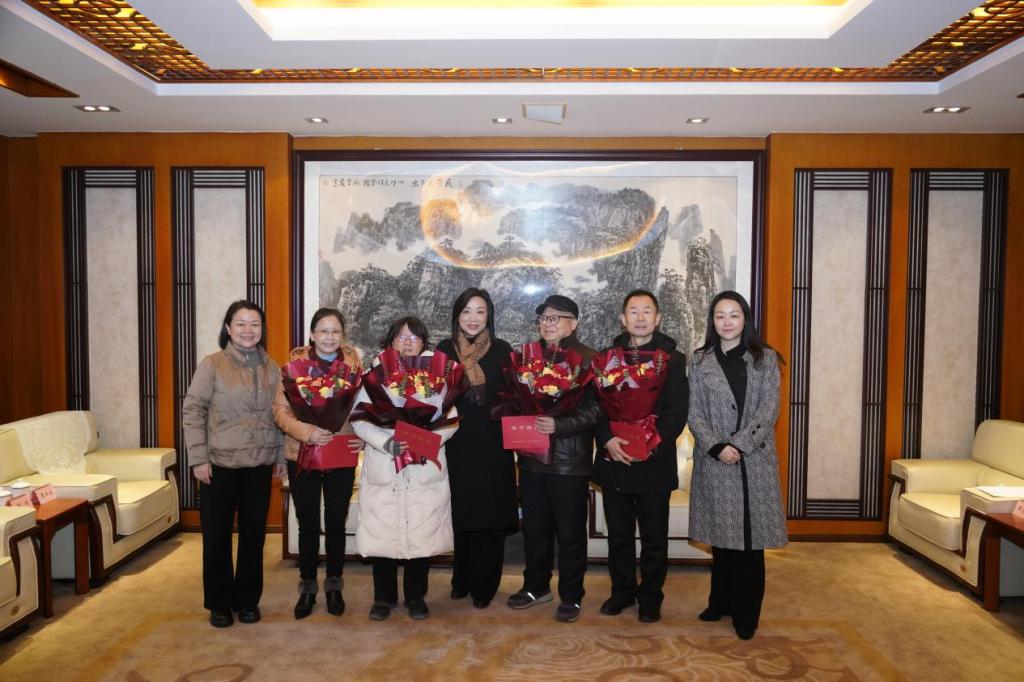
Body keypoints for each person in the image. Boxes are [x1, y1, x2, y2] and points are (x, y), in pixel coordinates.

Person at [687, 290, 787, 640]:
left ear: (745, 319)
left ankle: (746, 614)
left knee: (749, 543)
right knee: (721, 539)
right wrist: (716, 446)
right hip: (714, 459)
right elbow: (693, 411)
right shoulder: (699, 361)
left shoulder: (765, 359)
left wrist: (739, 445)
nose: (727, 322)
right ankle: (719, 603)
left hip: (754, 459)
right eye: (720, 316)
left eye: (734, 315)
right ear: (712, 322)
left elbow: (769, 409)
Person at [181, 299, 284, 629]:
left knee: (254, 536)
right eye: (241, 323)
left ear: (262, 329)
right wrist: (198, 458)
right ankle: (219, 603)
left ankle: (248, 600)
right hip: (219, 464)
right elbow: (193, 411)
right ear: (228, 328)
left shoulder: (273, 368)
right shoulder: (212, 365)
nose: (248, 330)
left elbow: (280, 414)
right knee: (217, 537)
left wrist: (280, 455)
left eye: (255, 324)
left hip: (259, 463)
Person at [351, 316, 459, 621]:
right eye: (401, 337)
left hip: (423, 466)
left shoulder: (439, 376)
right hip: (386, 463)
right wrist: (387, 443)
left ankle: (416, 597)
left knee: (421, 533)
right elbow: (359, 418)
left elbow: (452, 419)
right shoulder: (376, 375)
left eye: (414, 337)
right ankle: (383, 598)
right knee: (383, 531)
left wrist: (423, 441)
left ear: (424, 342)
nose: (407, 342)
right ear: (391, 342)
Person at [592, 289, 688, 624]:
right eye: (634, 311)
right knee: (618, 536)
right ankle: (621, 592)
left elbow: (677, 410)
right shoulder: (607, 358)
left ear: (658, 318)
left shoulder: (673, 360)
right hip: (615, 458)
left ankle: (650, 597)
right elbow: (596, 406)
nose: (641, 317)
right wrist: (607, 440)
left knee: (653, 539)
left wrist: (651, 444)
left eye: (647, 311)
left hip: (654, 462)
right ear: (623, 318)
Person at [507, 294, 602, 623]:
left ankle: (572, 595)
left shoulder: (588, 359)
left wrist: (559, 425)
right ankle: (536, 586)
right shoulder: (526, 357)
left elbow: (597, 409)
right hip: (531, 458)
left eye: (554, 318)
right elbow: (515, 401)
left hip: (569, 462)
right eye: (543, 319)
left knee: (570, 533)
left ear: (572, 324)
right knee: (534, 529)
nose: (547, 324)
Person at [273, 307, 363, 619]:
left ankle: (335, 584)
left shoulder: (353, 366)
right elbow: (280, 411)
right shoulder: (293, 367)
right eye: (323, 331)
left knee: (336, 520)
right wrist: (307, 432)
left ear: (342, 335)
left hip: (340, 451)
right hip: (302, 452)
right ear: (312, 334)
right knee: (308, 522)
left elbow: (364, 408)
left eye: (335, 331)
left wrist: (361, 436)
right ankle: (308, 585)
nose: (329, 337)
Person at [436, 288, 517, 609]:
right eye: (466, 311)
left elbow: (515, 397)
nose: (473, 318)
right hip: (455, 444)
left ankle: (486, 584)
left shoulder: (502, 350)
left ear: (489, 316)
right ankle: (462, 578)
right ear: (457, 315)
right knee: (461, 514)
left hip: (494, 446)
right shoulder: (443, 351)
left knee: (490, 518)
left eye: (480, 311)